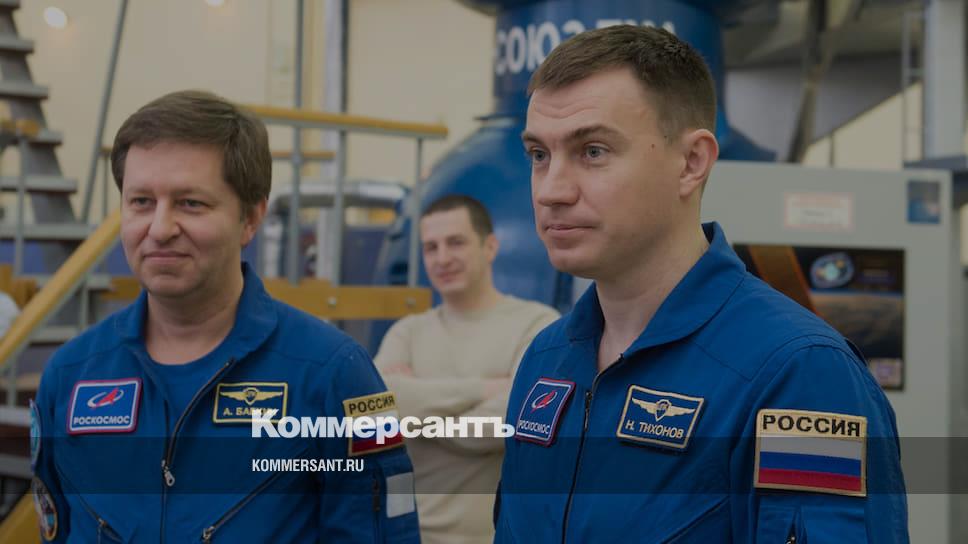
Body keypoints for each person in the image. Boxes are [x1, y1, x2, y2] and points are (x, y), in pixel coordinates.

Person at [494, 25, 907, 543]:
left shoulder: (800, 375)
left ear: (691, 163)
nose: (551, 190)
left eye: (593, 151)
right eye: (539, 155)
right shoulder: (546, 359)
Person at [30, 90, 419, 543]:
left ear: (250, 218)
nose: (160, 228)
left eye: (190, 203)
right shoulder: (69, 376)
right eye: (141, 202)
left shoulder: (342, 377)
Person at [374, 194, 558, 544]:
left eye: (456, 242)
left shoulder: (537, 326)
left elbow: (506, 424)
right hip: (407, 536)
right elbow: (374, 416)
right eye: (431, 247)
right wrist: (482, 389)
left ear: (490, 247)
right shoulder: (406, 332)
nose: (442, 258)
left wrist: (414, 411)